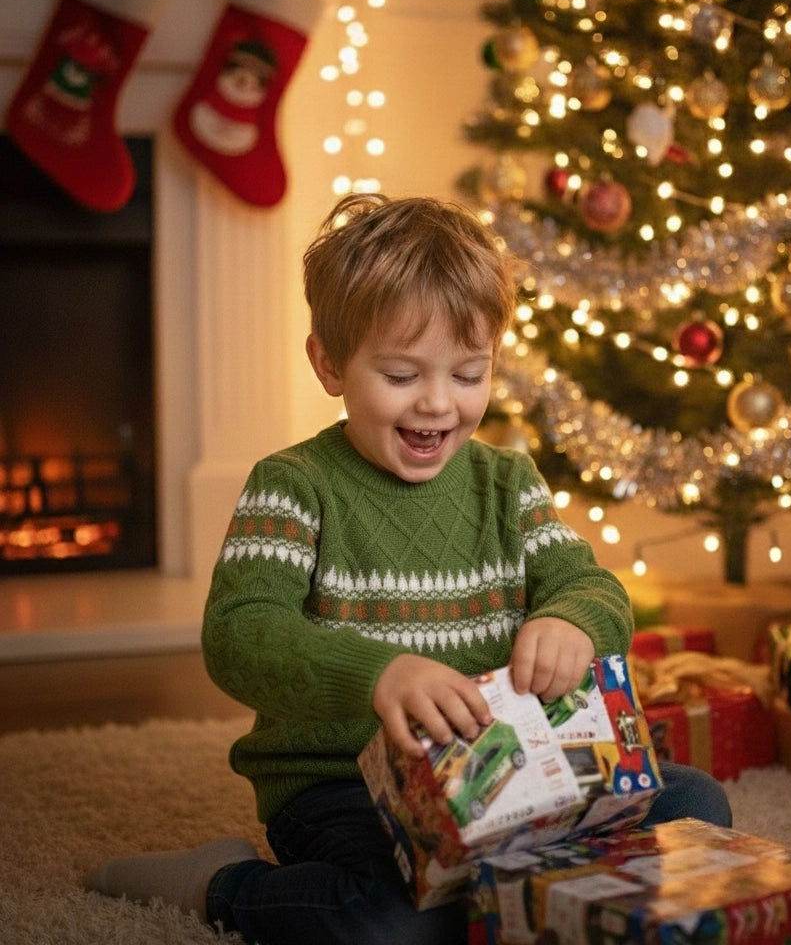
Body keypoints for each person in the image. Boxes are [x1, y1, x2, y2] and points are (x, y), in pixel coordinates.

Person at [86, 193, 731, 944]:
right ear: (330, 363)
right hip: (341, 788)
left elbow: (591, 587)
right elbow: (240, 634)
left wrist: (571, 622)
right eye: (400, 375)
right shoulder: (294, 485)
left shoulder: (509, 482)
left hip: (515, 770)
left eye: (468, 374)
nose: (437, 403)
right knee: (400, 923)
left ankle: (525, 893)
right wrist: (380, 673)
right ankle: (226, 886)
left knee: (697, 808)